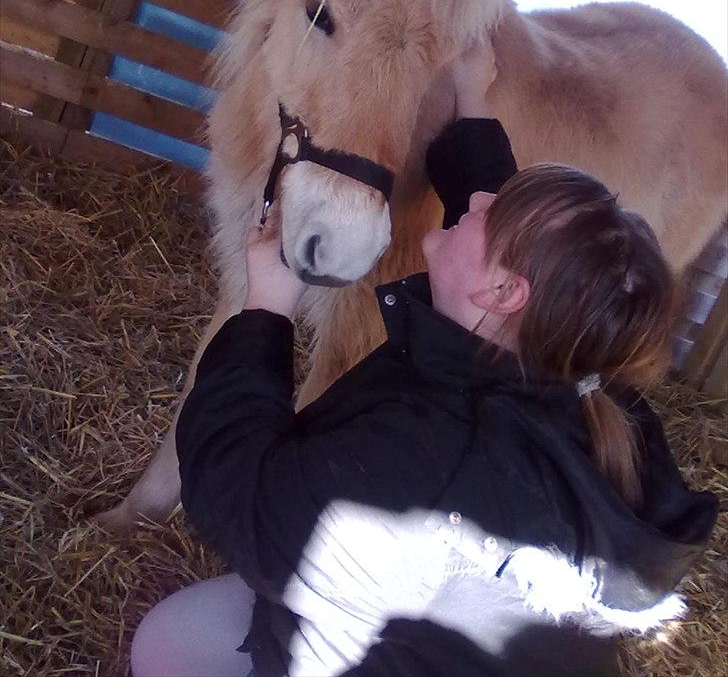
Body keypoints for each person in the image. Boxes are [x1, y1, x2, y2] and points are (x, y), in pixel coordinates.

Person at [131, 40, 717, 677]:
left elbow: (236, 493)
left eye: (496, 213)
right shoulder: (572, 384)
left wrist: (267, 307)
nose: (479, 202)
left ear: (503, 291)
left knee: (165, 643)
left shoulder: (421, 471)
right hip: (428, 626)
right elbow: (489, 197)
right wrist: (471, 94)